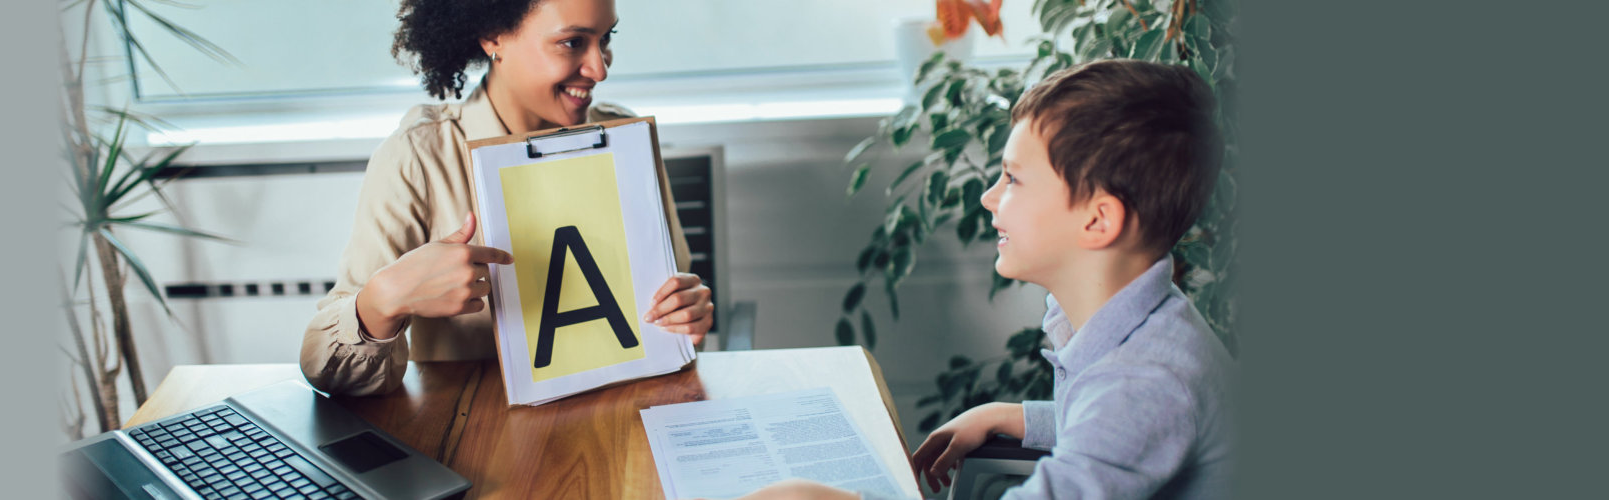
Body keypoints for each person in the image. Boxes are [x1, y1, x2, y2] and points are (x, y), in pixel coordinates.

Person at [735, 59, 1235, 499]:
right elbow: (1113, 429)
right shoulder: (1145, 330)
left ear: (1097, 221)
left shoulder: (1147, 381)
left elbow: (1128, 412)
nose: (989, 198)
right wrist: (1010, 415)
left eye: (1013, 179)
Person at [300, 0, 714, 397]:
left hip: (623, 415)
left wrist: (687, 308)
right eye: (573, 42)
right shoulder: (419, 157)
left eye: (606, 38)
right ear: (493, 37)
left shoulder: (626, 136)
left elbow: (672, 285)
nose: (600, 69)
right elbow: (323, 367)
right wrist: (384, 300)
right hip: (480, 435)